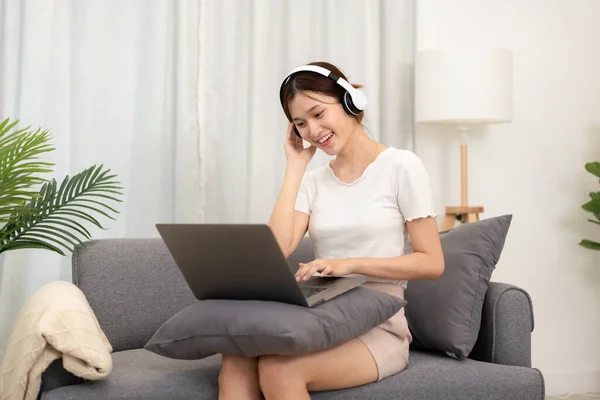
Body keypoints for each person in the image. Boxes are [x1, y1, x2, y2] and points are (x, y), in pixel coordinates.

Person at [218, 61, 445, 400]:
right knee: (237, 356)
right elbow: (277, 248)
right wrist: (296, 166)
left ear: (350, 101)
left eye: (318, 113)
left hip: (378, 324)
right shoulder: (313, 180)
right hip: (322, 316)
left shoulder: (401, 166)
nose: (312, 130)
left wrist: (349, 263)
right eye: (300, 123)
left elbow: (431, 263)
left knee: (280, 368)